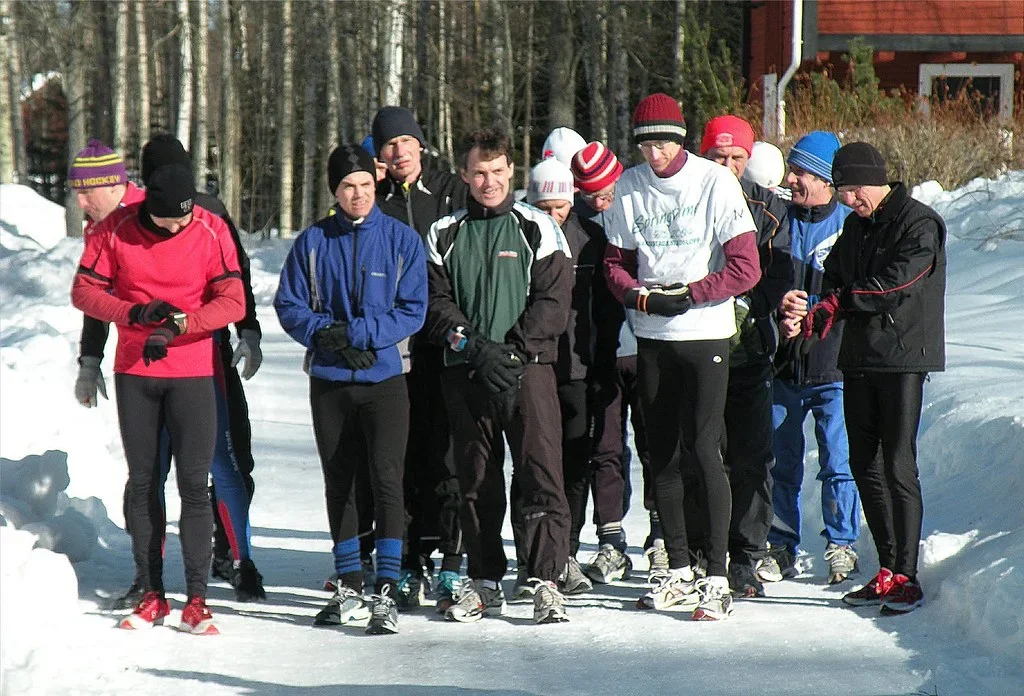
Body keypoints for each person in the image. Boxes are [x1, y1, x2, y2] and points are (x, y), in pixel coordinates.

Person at [83, 135, 266, 609]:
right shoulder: (120, 225)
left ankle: (225, 563)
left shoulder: (207, 218)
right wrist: (96, 352)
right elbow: (97, 297)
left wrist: (246, 330)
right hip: (146, 364)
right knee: (165, 472)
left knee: (205, 468)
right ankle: (157, 578)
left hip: (204, 357)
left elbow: (236, 279)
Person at [602, 93, 760, 621]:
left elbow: (746, 267)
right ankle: (677, 567)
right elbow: (615, 263)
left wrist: (692, 294)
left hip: (705, 331)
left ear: (682, 138)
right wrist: (637, 296)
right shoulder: (628, 185)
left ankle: (717, 574)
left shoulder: (714, 182)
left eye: (666, 142)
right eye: (647, 144)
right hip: (652, 334)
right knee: (661, 456)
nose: (656, 154)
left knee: (704, 448)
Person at [274, 145, 427, 635]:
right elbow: (289, 304)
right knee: (339, 480)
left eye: (363, 184)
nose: (357, 194)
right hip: (331, 382)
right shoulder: (312, 242)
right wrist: (328, 335)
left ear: (375, 184)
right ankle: (348, 583)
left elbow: (413, 309)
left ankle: (385, 587)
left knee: (386, 480)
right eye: (347, 187)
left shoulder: (402, 240)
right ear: (334, 192)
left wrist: (360, 335)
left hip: (385, 379)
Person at [424, 127, 574, 624]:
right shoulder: (444, 231)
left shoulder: (538, 227)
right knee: (475, 479)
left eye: (496, 171)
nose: (488, 181)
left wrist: (512, 352)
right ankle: (485, 578)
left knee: (539, 472)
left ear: (511, 170)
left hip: (527, 373)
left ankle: (546, 577)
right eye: (478, 173)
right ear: (464, 176)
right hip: (467, 372)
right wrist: (474, 347)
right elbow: (436, 304)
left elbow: (553, 302)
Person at [810, 143, 945, 614]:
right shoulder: (855, 226)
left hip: (904, 358)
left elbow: (897, 284)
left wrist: (841, 301)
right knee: (864, 463)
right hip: (859, 357)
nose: (847, 201)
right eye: (843, 193)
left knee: (897, 465)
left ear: (870, 181)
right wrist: (815, 306)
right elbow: (833, 275)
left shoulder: (919, 222)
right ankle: (887, 568)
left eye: (849, 191)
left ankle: (907, 574)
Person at [371, 106, 468, 613]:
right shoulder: (375, 197)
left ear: (422, 144)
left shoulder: (452, 189)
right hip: (398, 348)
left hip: (446, 344)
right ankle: (409, 559)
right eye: (389, 145)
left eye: (407, 141)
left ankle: (452, 558)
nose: (399, 151)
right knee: (403, 456)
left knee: (448, 454)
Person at [509, 156, 619, 598]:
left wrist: (601, 361)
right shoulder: (517, 234)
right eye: (544, 206)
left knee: (573, 462)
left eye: (560, 207)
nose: (553, 216)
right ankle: (529, 555)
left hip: (577, 366)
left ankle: (566, 551)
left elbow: (605, 310)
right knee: (531, 465)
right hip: (534, 365)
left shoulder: (590, 237)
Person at [697, 115, 793, 599]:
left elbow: (780, 274)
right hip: (695, 349)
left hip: (751, 352)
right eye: (719, 156)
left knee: (752, 457)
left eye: (738, 158)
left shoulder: (770, 209)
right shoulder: (687, 197)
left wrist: (747, 302)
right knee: (701, 453)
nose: (729, 166)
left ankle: (747, 555)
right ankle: (699, 551)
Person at [765, 131, 861, 587]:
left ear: (825, 178)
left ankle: (841, 544)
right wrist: (777, 309)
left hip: (833, 364)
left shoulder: (849, 222)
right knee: (780, 460)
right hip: (784, 364)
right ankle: (781, 545)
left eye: (800, 171)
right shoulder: (777, 219)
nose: (791, 178)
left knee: (837, 461)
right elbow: (759, 282)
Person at [568, 142, 639, 586]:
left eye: (607, 188)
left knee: (655, 446)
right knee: (605, 447)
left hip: (647, 344)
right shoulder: (576, 226)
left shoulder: (639, 205)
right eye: (591, 192)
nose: (601, 198)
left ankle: (663, 539)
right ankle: (611, 540)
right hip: (601, 353)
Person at [70, 140, 145, 408]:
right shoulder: (97, 227)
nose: (80, 201)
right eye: (77, 192)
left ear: (115, 185)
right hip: (132, 359)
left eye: (88, 191)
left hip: (187, 361)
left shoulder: (153, 217)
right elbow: (97, 297)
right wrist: (90, 361)